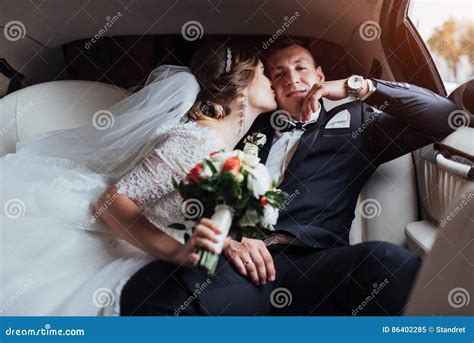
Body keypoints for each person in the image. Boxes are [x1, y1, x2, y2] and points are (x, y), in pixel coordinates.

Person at [121, 39, 458, 316]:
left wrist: (358, 86)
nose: (292, 79)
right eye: (278, 74)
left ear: (320, 76)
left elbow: (445, 118)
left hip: (312, 263)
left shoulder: (358, 123)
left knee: (392, 264)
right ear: (269, 88)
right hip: (241, 260)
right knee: (155, 290)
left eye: (301, 68)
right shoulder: (246, 126)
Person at [0, 42, 276, 315]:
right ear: (243, 86)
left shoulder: (222, 147)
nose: (272, 80)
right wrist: (178, 253)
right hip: (126, 247)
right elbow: (111, 201)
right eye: (264, 72)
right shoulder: (198, 141)